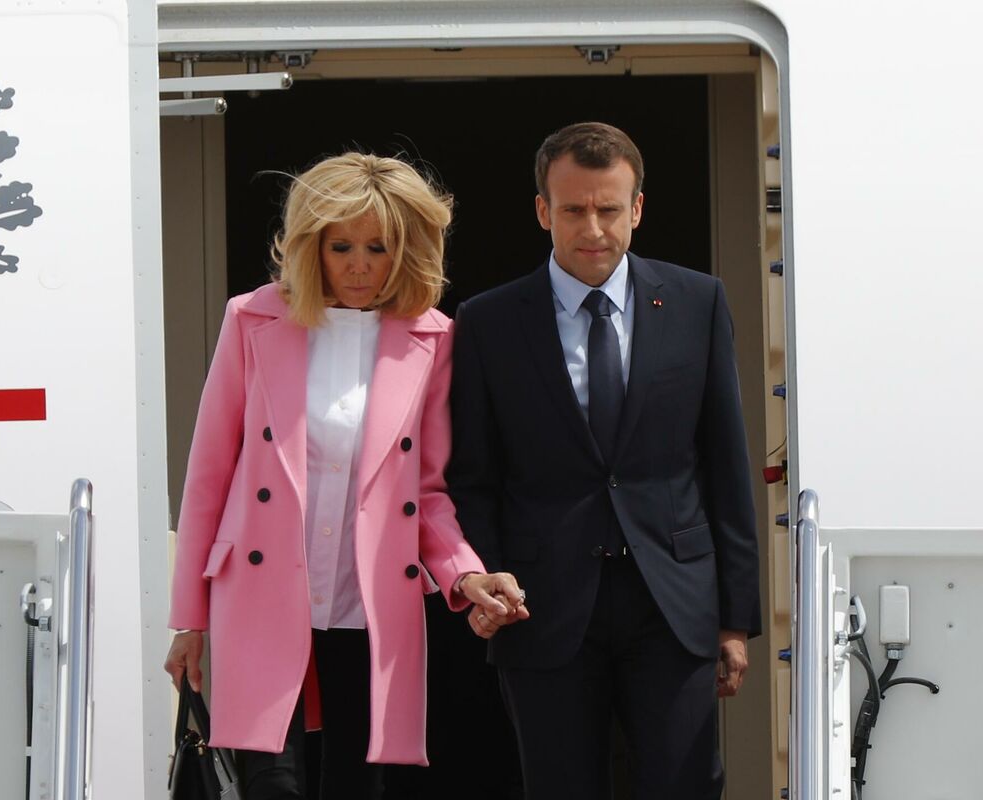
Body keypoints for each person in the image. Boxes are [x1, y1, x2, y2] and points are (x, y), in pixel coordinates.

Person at [163, 152, 528, 800]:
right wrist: (189, 620)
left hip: (368, 602)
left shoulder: (434, 339)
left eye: (377, 248)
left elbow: (428, 493)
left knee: (358, 786)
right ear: (313, 246)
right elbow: (209, 476)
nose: (359, 265)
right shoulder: (252, 317)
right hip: (261, 594)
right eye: (342, 247)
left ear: (405, 250)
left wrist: (465, 574)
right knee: (272, 786)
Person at [447, 122, 761, 799]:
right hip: (541, 605)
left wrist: (736, 617)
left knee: (684, 787)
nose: (592, 228)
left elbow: (725, 465)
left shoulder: (698, 302)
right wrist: (485, 574)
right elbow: (473, 476)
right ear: (543, 211)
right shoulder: (488, 321)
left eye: (609, 209)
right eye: (573, 209)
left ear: (637, 209)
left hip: (673, 603)